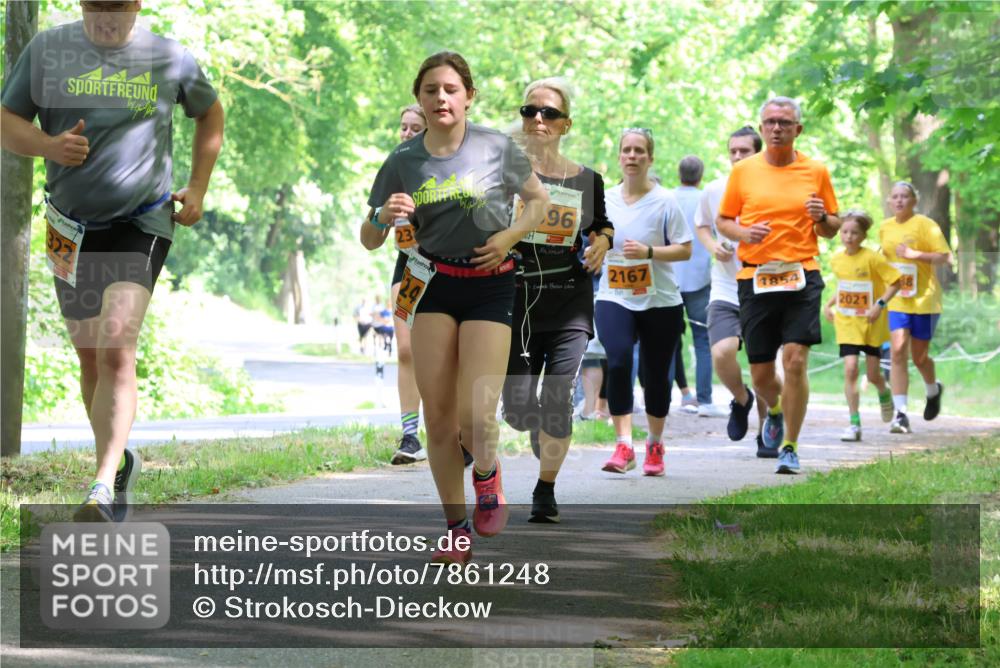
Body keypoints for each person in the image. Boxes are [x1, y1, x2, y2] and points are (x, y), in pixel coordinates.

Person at [1, 0, 224, 521]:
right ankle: (119, 460)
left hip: (141, 220)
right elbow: (7, 119)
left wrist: (197, 187)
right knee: (89, 357)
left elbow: (209, 111)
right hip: (69, 227)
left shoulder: (168, 57)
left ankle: (101, 487)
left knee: (116, 343)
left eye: (117, 7)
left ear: (137, 5)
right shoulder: (48, 51)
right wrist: (49, 147)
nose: (107, 17)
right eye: (98, 6)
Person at [360, 52, 548, 564]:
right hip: (433, 283)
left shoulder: (496, 147)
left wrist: (509, 236)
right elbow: (370, 238)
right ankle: (455, 526)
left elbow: (539, 204)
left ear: (468, 95)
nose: (440, 98)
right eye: (430, 91)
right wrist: (382, 214)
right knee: (439, 420)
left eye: (449, 89)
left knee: (474, 412)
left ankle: (486, 473)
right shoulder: (403, 160)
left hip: (490, 284)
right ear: (419, 100)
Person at [500, 77, 613, 523]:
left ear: (565, 123)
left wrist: (602, 242)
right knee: (518, 409)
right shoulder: (502, 173)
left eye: (548, 113)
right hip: (515, 300)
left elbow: (601, 226)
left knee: (558, 395)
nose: (538, 120)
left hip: (569, 300)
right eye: (530, 111)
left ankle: (545, 488)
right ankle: (533, 421)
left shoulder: (588, 179)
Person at [716, 97, 840, 474]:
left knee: (796, 360)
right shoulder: (744, 171)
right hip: (756, 277)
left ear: (797, 129)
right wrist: (744, 232)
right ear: (762, 126)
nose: (776, 129)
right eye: (769, 122)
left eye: (784, 123)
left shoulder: (815, 171)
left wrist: (822, 219)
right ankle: (772, 409)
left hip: (802, 274)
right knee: (762, 374)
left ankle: (790, 445)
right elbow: (724, 221)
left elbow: (832, 227)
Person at [596, 128, 691, 477]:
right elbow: (592, 239)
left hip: (660, 300)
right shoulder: (604, 199)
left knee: (655, 375)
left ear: (650, 158)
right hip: (614, 295)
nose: (632, 156)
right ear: (619, 157)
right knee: (618, 360)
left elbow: (685, 248)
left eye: (639, 151)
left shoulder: (666, 201)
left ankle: (654, 443)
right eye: (627, 150)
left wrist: (650, 252)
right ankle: (623, 446)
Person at [694, 126, 769, 454]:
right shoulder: (714, 189)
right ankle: (741, 399)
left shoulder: (773, 190)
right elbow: (701, 225)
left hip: (767, 287)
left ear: (759, 153)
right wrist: (713, 246)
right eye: (733, 151)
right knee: (722, 352)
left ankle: (767, 433)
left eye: (745, 151)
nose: (738, 157)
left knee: (763, 366)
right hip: (726, 286)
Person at [879, 181, 952, 434]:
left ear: (914, 201)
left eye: (905, 196)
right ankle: (901, 414)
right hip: (898, 299)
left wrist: (914, 255)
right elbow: (883, 261)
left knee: (919, 357)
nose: (899, 201)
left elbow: (945, 257)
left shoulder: (926, 225)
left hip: (925, 299)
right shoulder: (884, 228)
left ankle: (933, 389)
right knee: (898, 351)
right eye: (895, 196)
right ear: (889, 201)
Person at [823, 211, 901, 440]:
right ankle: (854, 423)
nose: (848, 236)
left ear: (863, 235)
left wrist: (880, 304)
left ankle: (884, 392)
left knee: (874, 374)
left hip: (870, 323)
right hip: (846, 322)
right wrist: (829, 304)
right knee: (850, 369)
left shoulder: (873, 258)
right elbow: (845, 286)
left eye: (854, 233)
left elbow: (896, 282)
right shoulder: (836, 259)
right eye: (845, 232)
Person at [672, 155, 726, 417]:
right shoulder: (706, 198)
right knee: (703, 339)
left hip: (670, 277)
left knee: (669, 340)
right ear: (701, 175)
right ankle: (704, 399)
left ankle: (666, 396)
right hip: (700, 279)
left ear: (678, 173)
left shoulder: (667, 198)